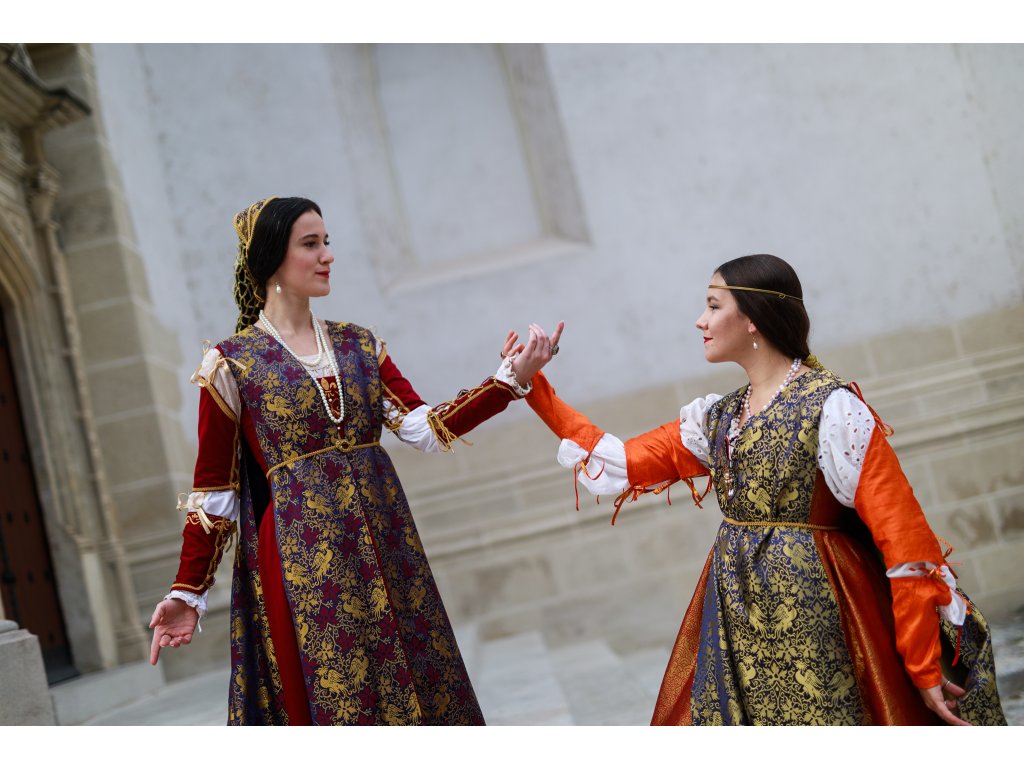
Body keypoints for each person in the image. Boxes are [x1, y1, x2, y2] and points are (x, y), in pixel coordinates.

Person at [521, 253, 1006, 725]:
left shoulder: (832, 407)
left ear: (752, 317)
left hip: (818, 608)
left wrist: (921, 661)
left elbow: (903, 538)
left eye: (713, 305)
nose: (700, 320)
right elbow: (622, 461)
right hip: (736, 610)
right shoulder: (718, 418)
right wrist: (531, 385)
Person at [148, 196, 562, 725]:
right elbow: (214, 495)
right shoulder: (231, 363)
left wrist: (508, 381)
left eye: (327, 242)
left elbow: (424, 428)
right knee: (337, 690)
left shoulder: (359, 345)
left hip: (385, 539)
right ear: (272, 258)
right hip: (302, 556)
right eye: (311, 244)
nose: (328, 255)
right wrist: (188, 591)